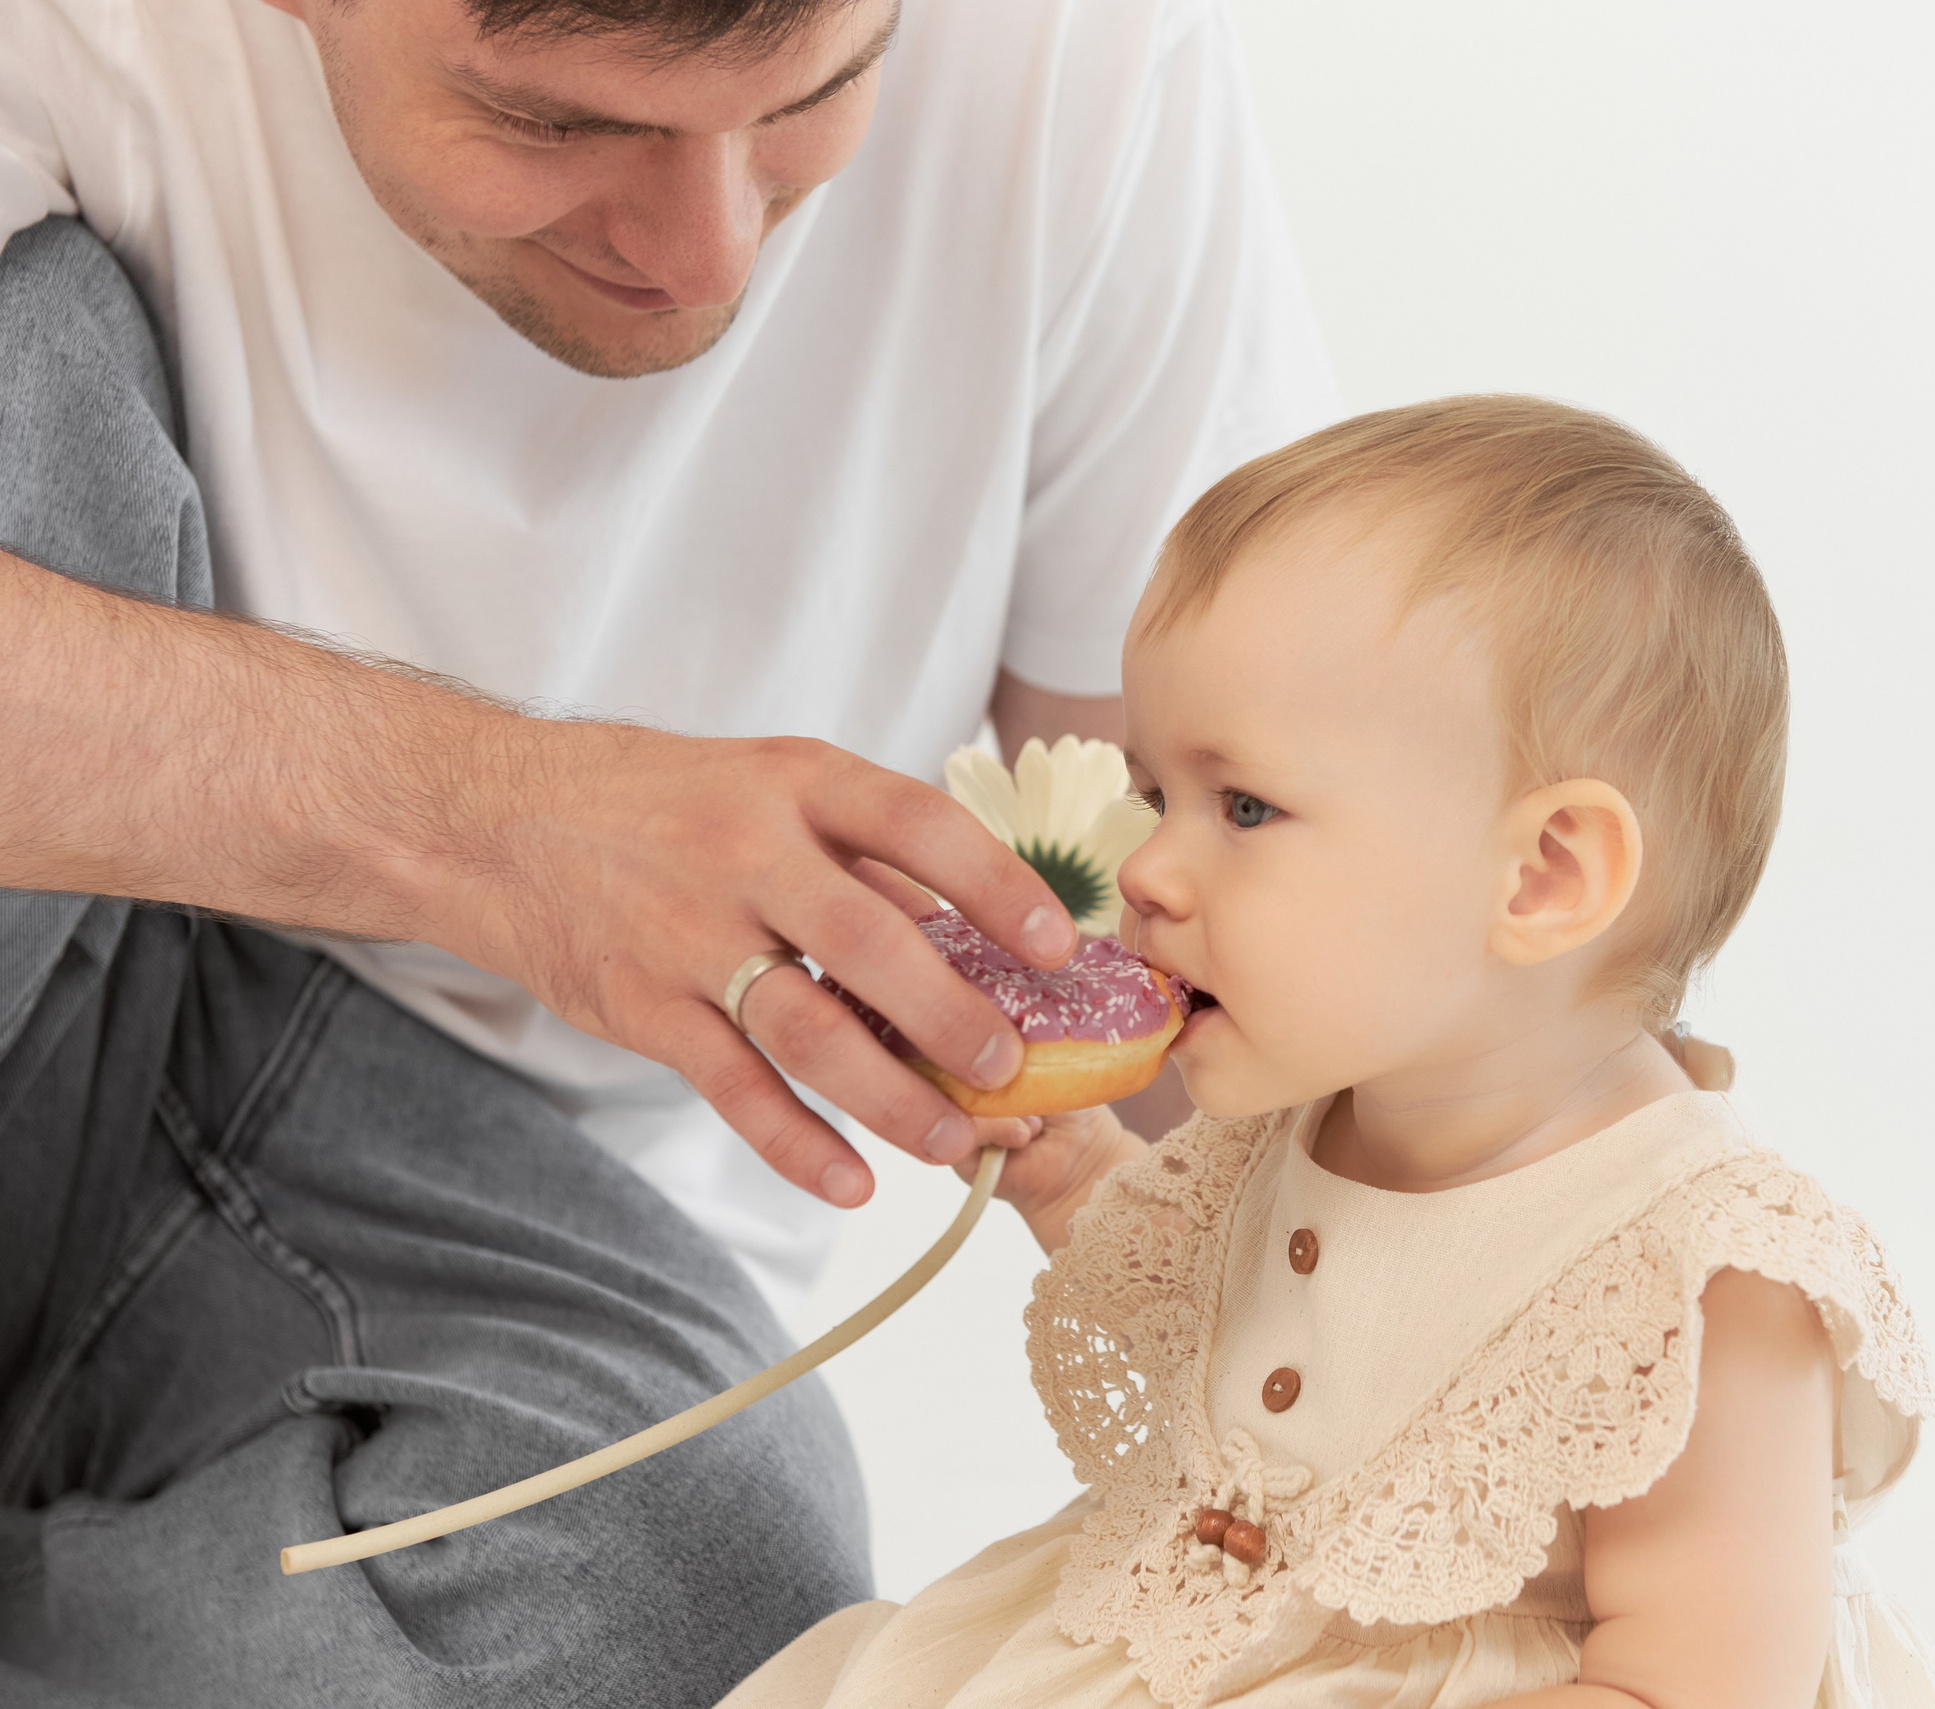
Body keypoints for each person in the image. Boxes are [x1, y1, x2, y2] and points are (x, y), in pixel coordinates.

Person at [0, 0, 1335, 1699]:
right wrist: (501, 823)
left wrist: (1451, 1343)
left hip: (457, 1200)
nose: (712, 258)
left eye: (821, 92)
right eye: (556, 123)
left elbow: (1208, 868)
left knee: (697, 1594)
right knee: (31, 373)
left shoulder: (1082, 57)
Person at [718, 396, 1935, 1709]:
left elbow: (1689, 1688)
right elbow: (1218, 1309)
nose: (1144, 869)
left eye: (1244, 806)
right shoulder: (1308, 1115)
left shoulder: (1705, 1274)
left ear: (1543, 875)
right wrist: (1069, 1166)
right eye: (1155, 797)